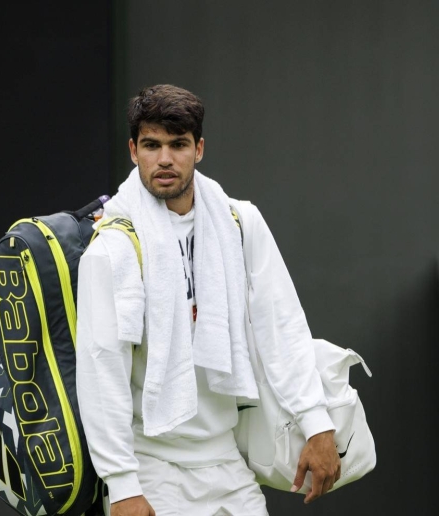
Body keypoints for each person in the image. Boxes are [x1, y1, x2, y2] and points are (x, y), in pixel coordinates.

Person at [75, 84, 340, 516]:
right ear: (133, 151)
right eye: (152, 145)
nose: (164, 159)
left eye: (178, 145)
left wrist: (317, 423)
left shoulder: (239, 222)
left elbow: (282, 325)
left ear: (198, 149)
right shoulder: (112, 247)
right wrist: (122, 485)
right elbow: (101, 370)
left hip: (227, 461)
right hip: (151, 468)